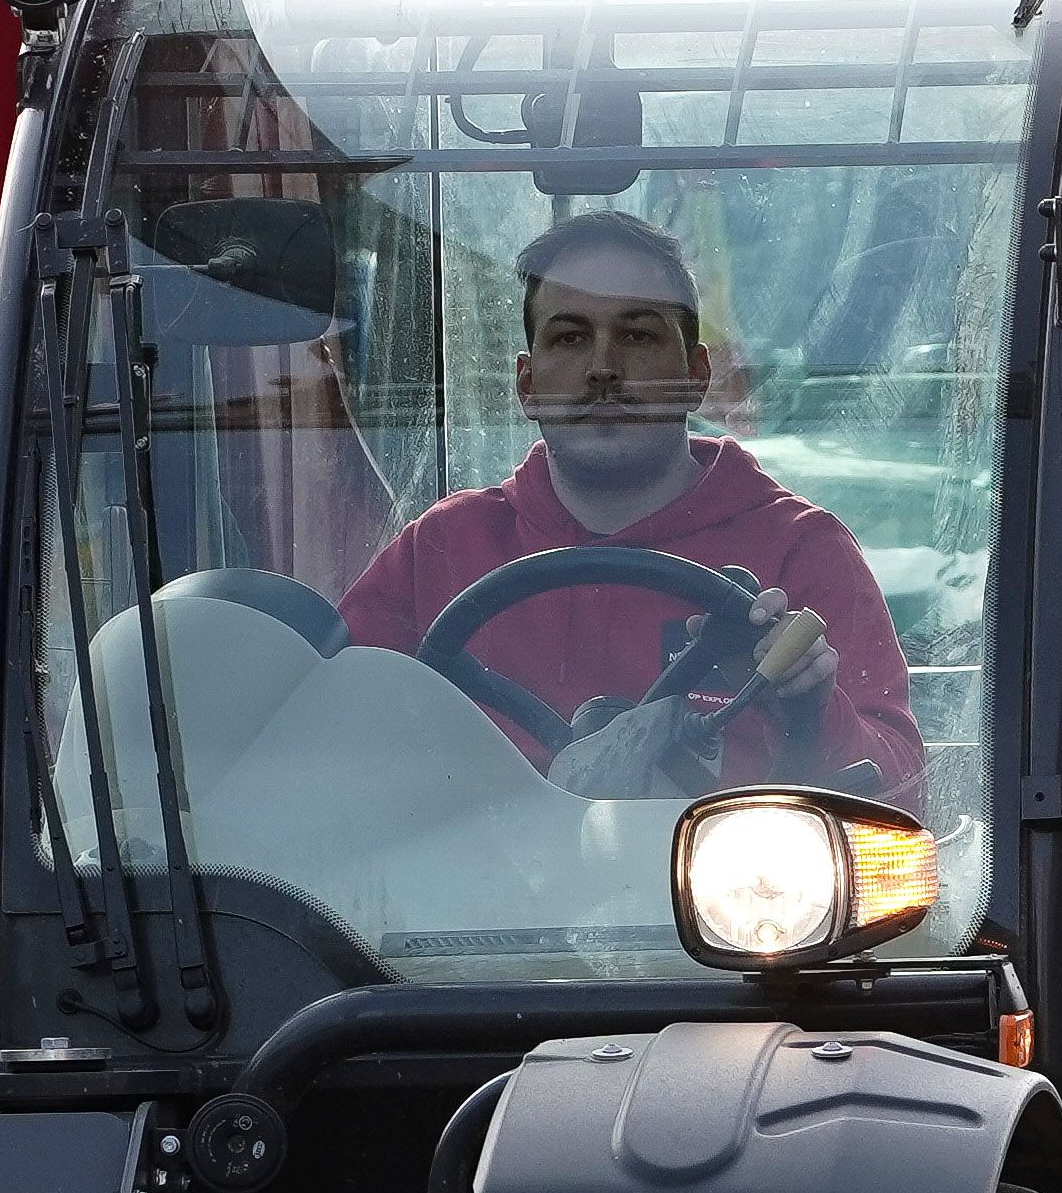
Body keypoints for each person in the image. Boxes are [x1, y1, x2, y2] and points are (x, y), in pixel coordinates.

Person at [334, 212, 929, 806]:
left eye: (638, 335)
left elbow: (900, 793)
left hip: (720, 895)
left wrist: (811, 707)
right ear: (527, 383)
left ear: (697, 375)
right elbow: (319, 733)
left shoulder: (801, 549)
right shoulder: (441, 548)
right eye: (569, 338)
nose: (602, 369)